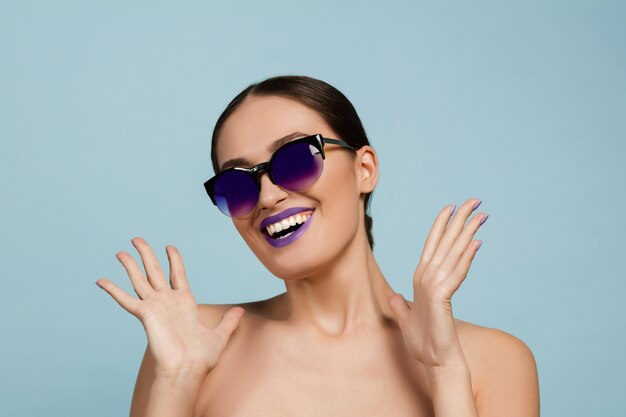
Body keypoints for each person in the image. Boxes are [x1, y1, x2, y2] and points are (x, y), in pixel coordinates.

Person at [96, 75, 540, 417]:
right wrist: (177, 382)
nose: (268, 197)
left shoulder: (493, 360)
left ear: (364, 169)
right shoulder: (191, 343)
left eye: (294, 159)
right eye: (238, 184)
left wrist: (444, 371)